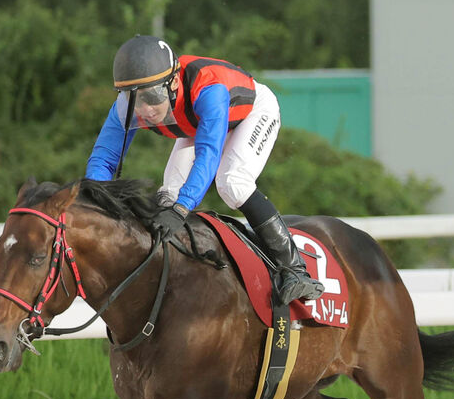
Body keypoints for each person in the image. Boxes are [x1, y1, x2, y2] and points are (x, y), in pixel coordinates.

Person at [86, 35, 323, 304]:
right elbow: (104, 159)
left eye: (151, 96)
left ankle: (295, 270)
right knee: (168, 194)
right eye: (133, 99)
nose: (146, 110)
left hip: (250, 112)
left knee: (232, 183)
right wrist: (94, 201)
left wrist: (183, 208)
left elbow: (208, 155)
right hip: (195, 123)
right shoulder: (126, 109)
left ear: (174, 82)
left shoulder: (208, 89)